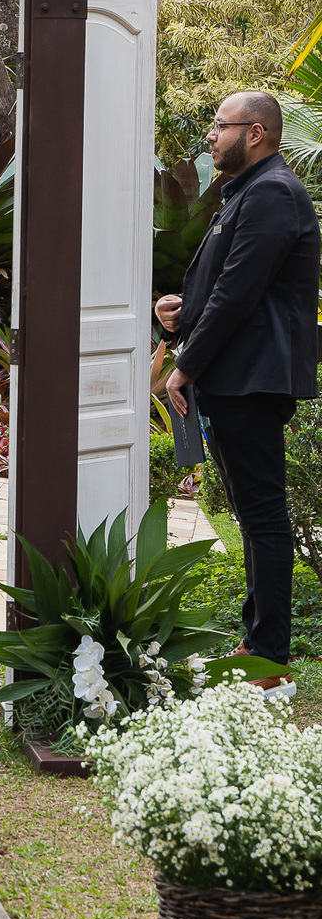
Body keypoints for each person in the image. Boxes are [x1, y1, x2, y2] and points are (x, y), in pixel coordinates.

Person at [157, 92, 320, 684]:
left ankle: (269, 657)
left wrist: (187, 364)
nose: (209, 137)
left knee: (263, 516)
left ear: (254, 133)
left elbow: (241, 293)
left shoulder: (272, 192)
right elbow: (230, 285)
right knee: (255, 517)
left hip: (252, 378)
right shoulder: (251, 192)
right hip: (240, 374)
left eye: (218, 127)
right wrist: (182, 311)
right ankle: (260, 646)